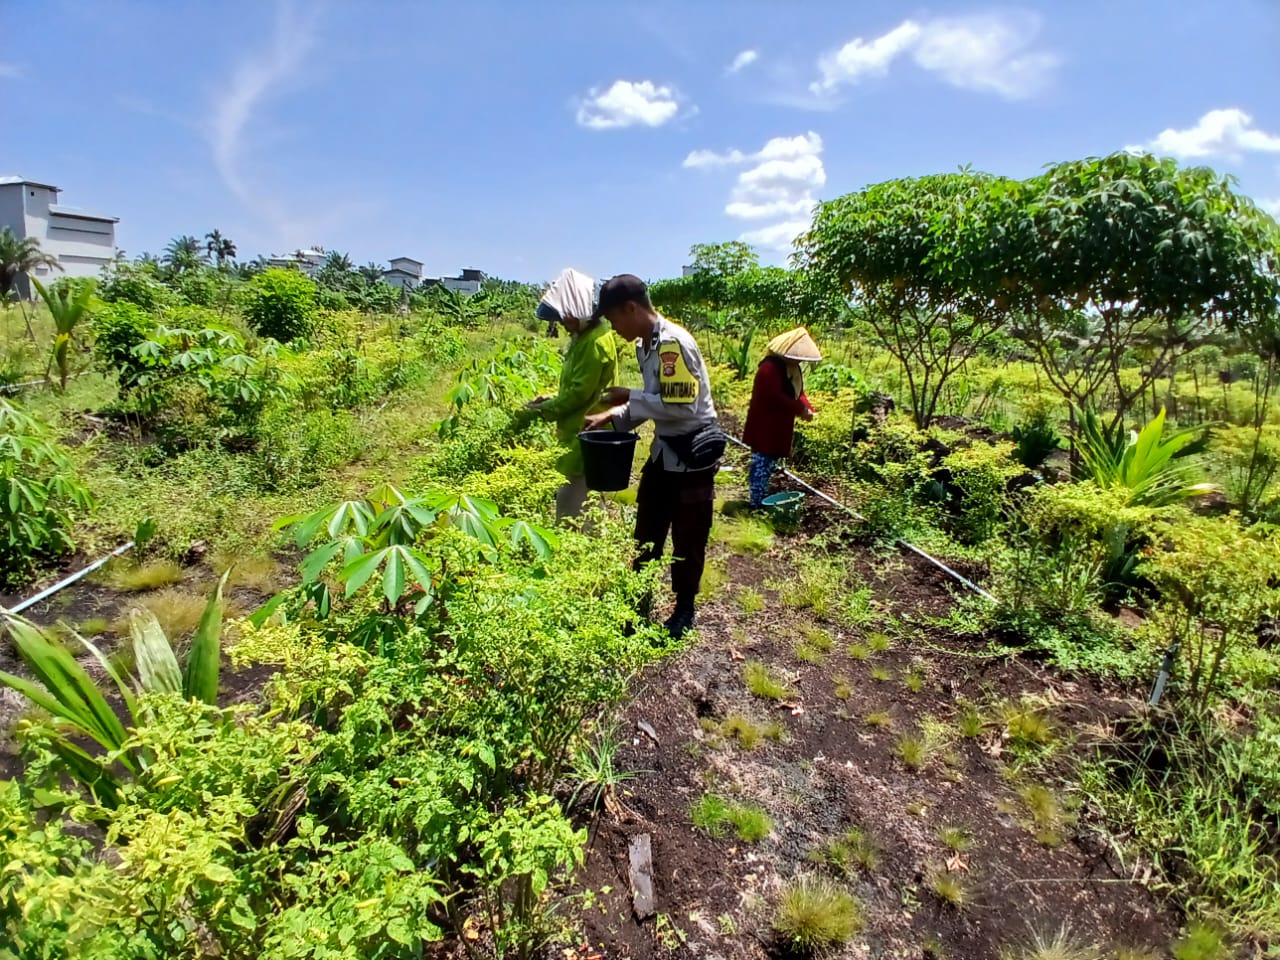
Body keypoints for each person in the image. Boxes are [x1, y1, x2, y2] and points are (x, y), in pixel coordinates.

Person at [584, 274, 723, 638]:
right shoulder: (645, 346)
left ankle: (684, 610)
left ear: (631, 308)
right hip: (664, 453)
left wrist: (627, 397)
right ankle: (636, 600)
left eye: (614, 320)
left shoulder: (671, 344)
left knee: (688, 537)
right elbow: (654, 404)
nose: (614, 328)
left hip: (692, 456)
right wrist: (614, 419)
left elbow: (681, 406)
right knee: (647, 531)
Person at [517, 268, 619, 520]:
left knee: (573, 507)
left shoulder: (594, 342)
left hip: (586, 434)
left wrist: (541, 412)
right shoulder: (584, 337)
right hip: (577, 433)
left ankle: (580, 556)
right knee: (586, 504)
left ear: (582, 310)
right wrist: (551, 397)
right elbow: (580, 385)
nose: (563, 322)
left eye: (567, 316)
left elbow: (580, 394)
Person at [742, 327, 821, 509]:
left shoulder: (792, 369)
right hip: (764, 426)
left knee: (768, 465)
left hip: (778, 427)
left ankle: (760, 501)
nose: (799, 360)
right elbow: (774, 396)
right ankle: (756, 505)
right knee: (761, 464)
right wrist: (799, 409)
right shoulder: (769, 369)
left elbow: (798, 393)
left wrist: (807, 408)